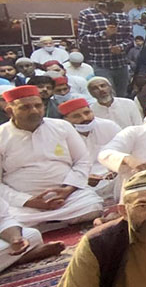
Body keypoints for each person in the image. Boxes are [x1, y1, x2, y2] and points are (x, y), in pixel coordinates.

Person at [0, 86, 104, 227]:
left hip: (68, 197)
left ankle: (46, 226)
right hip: (25, 204)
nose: (34, 111)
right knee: (13, 220)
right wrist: (29, 201)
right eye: (26, 107)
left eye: (38, 106)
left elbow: (82, 161)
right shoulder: (2, 135)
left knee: (93, 206)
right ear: (9, 111)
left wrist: (67, 190)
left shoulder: (62, 127)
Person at [59, 98, 121, 201]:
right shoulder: (60, 136)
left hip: (114, 177)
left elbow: (126, 152)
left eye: (87, 113)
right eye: (76, 116)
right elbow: (60, 167)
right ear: (66, 120)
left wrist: (117, 167)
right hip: (81, 183)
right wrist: (84, 178)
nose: (85, 118)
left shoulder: (109, 126)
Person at [77, 0, 132, 97]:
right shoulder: (87, 14)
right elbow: (82, 40)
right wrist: (104, 34)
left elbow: (130, 38)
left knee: (122, 97)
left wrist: (121, 47)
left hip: (121, 64)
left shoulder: (122, 14)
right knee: (107, 96)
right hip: (101, 65)